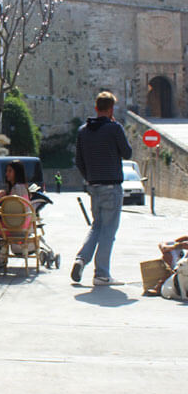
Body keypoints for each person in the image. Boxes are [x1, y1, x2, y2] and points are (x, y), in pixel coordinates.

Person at [70, 91, 132, 287]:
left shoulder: (83, 131)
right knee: (109, 230)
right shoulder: (114, 128)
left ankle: (81, 259)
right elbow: (127, 153)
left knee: (96, 226)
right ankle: (102, 273)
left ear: (96, 108)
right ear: (111, 109)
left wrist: (89, 177)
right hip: (111, 185)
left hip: (93, 184)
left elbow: (79, 160)